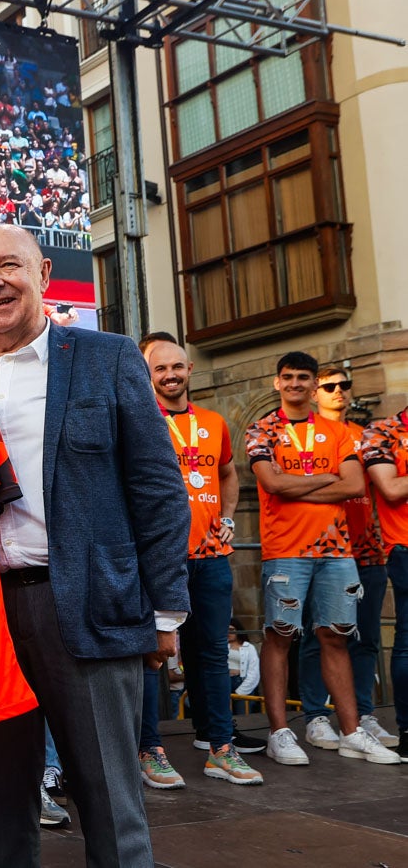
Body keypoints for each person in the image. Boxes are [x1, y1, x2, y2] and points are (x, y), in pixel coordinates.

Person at [0, 224, 190, 868]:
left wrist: (166, 612)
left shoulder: (107, 357)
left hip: (89, 604)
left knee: (110, 801)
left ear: (45, 274)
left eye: (9, 266)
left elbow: (158, 488)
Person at [244, 352, 396, 766]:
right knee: (280, 638)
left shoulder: (339, 432)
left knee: (336, 637)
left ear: (314, 386)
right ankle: (279, 732)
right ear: (277, 383)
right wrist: (324, 478)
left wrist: (297, 486)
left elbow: (351, 486)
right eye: (288, 377)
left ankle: (351, 731)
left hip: (335, 551)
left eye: (303, 378)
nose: (295, 384)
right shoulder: (261, 430)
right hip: (286, 550)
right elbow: (271, 482)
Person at [139, 334, 263, 787]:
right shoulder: (139, 421)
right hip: (160, 559)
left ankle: (221, 748)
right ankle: (149, 749)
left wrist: (228, 517)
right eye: (160, 369)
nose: (170, 375)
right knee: (153, 656)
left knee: (210, 654)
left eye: (177, 367)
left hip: (210, 556)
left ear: (190, 369)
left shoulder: (213, 422)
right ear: (148, 375)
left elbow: (228, 471)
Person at [298, 367, 397, 751]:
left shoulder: (364, 435)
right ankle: (315, 716)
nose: (338, 391)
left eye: (344, 385)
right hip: (320, 547)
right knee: (315, 635)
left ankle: (362, 714)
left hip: (367, 548)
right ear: (314, 393)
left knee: (366, 637)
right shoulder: (306, 436)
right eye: (329, 386)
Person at [359, 411, 408, 753]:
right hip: (405, 546)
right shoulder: (382, 430)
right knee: (406, 642)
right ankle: (407, 731)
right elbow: (390, 488)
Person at [228, 621, 261, 716]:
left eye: (231, 630)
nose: (228, 633)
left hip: (242, 681)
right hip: (224, 682)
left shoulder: (249, 647)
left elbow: (254, 671)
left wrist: (240, 692)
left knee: (243, 715)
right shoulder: (221, 646)